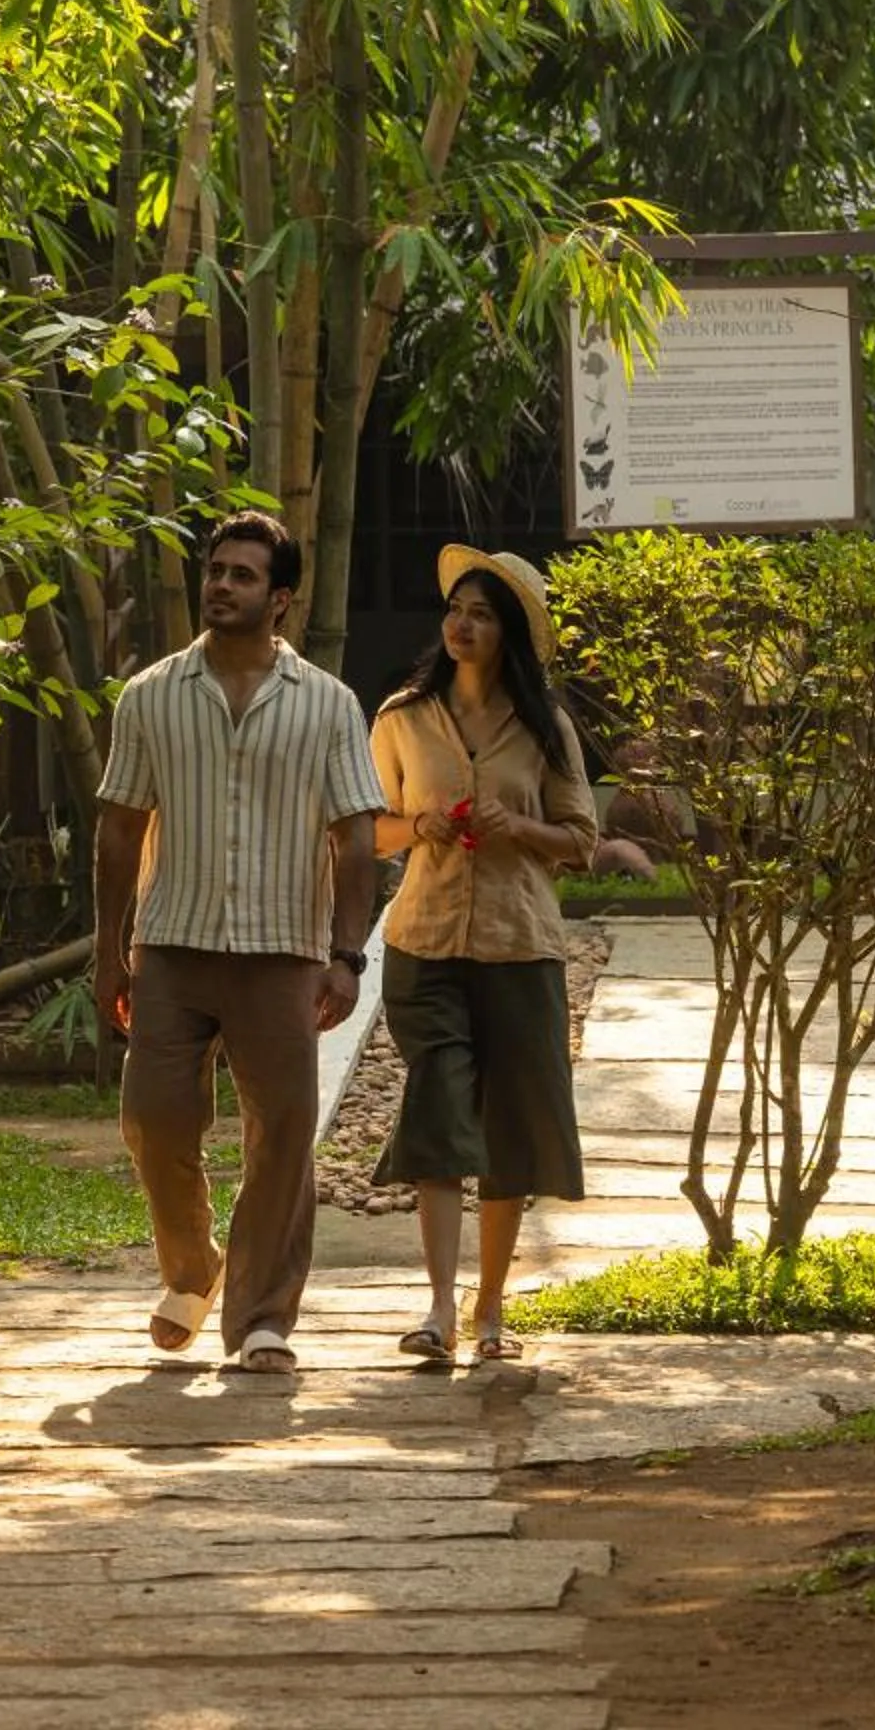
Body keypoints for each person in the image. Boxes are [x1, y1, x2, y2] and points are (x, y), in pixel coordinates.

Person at [93, 511, 384, 1375]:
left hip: (283, 949)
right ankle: (192, 1269)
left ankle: (262, 1319)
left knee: (284, 1133)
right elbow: (117, 831)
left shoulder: (329, 705)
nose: (221, 585)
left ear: (281, 599)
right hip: (173, 943)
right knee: (152, 1118)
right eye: (215, 570)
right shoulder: (149, 696)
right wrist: (109, 950)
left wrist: (346, 952)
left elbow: (356, 838)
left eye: (243, 575)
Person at [368, 546, 595, 1362]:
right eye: (457, 608)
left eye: (483, 614)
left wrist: (518, 828)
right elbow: (370, 828)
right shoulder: (400, 717)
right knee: (437, 1110)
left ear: (509, 635)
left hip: (519, 947)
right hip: (423, 941)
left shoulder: (544, 728)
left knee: (509, 1132)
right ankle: (436, 1309)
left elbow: (582, 841)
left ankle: (489, 1308)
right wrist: (421, 826)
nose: (463, 624)